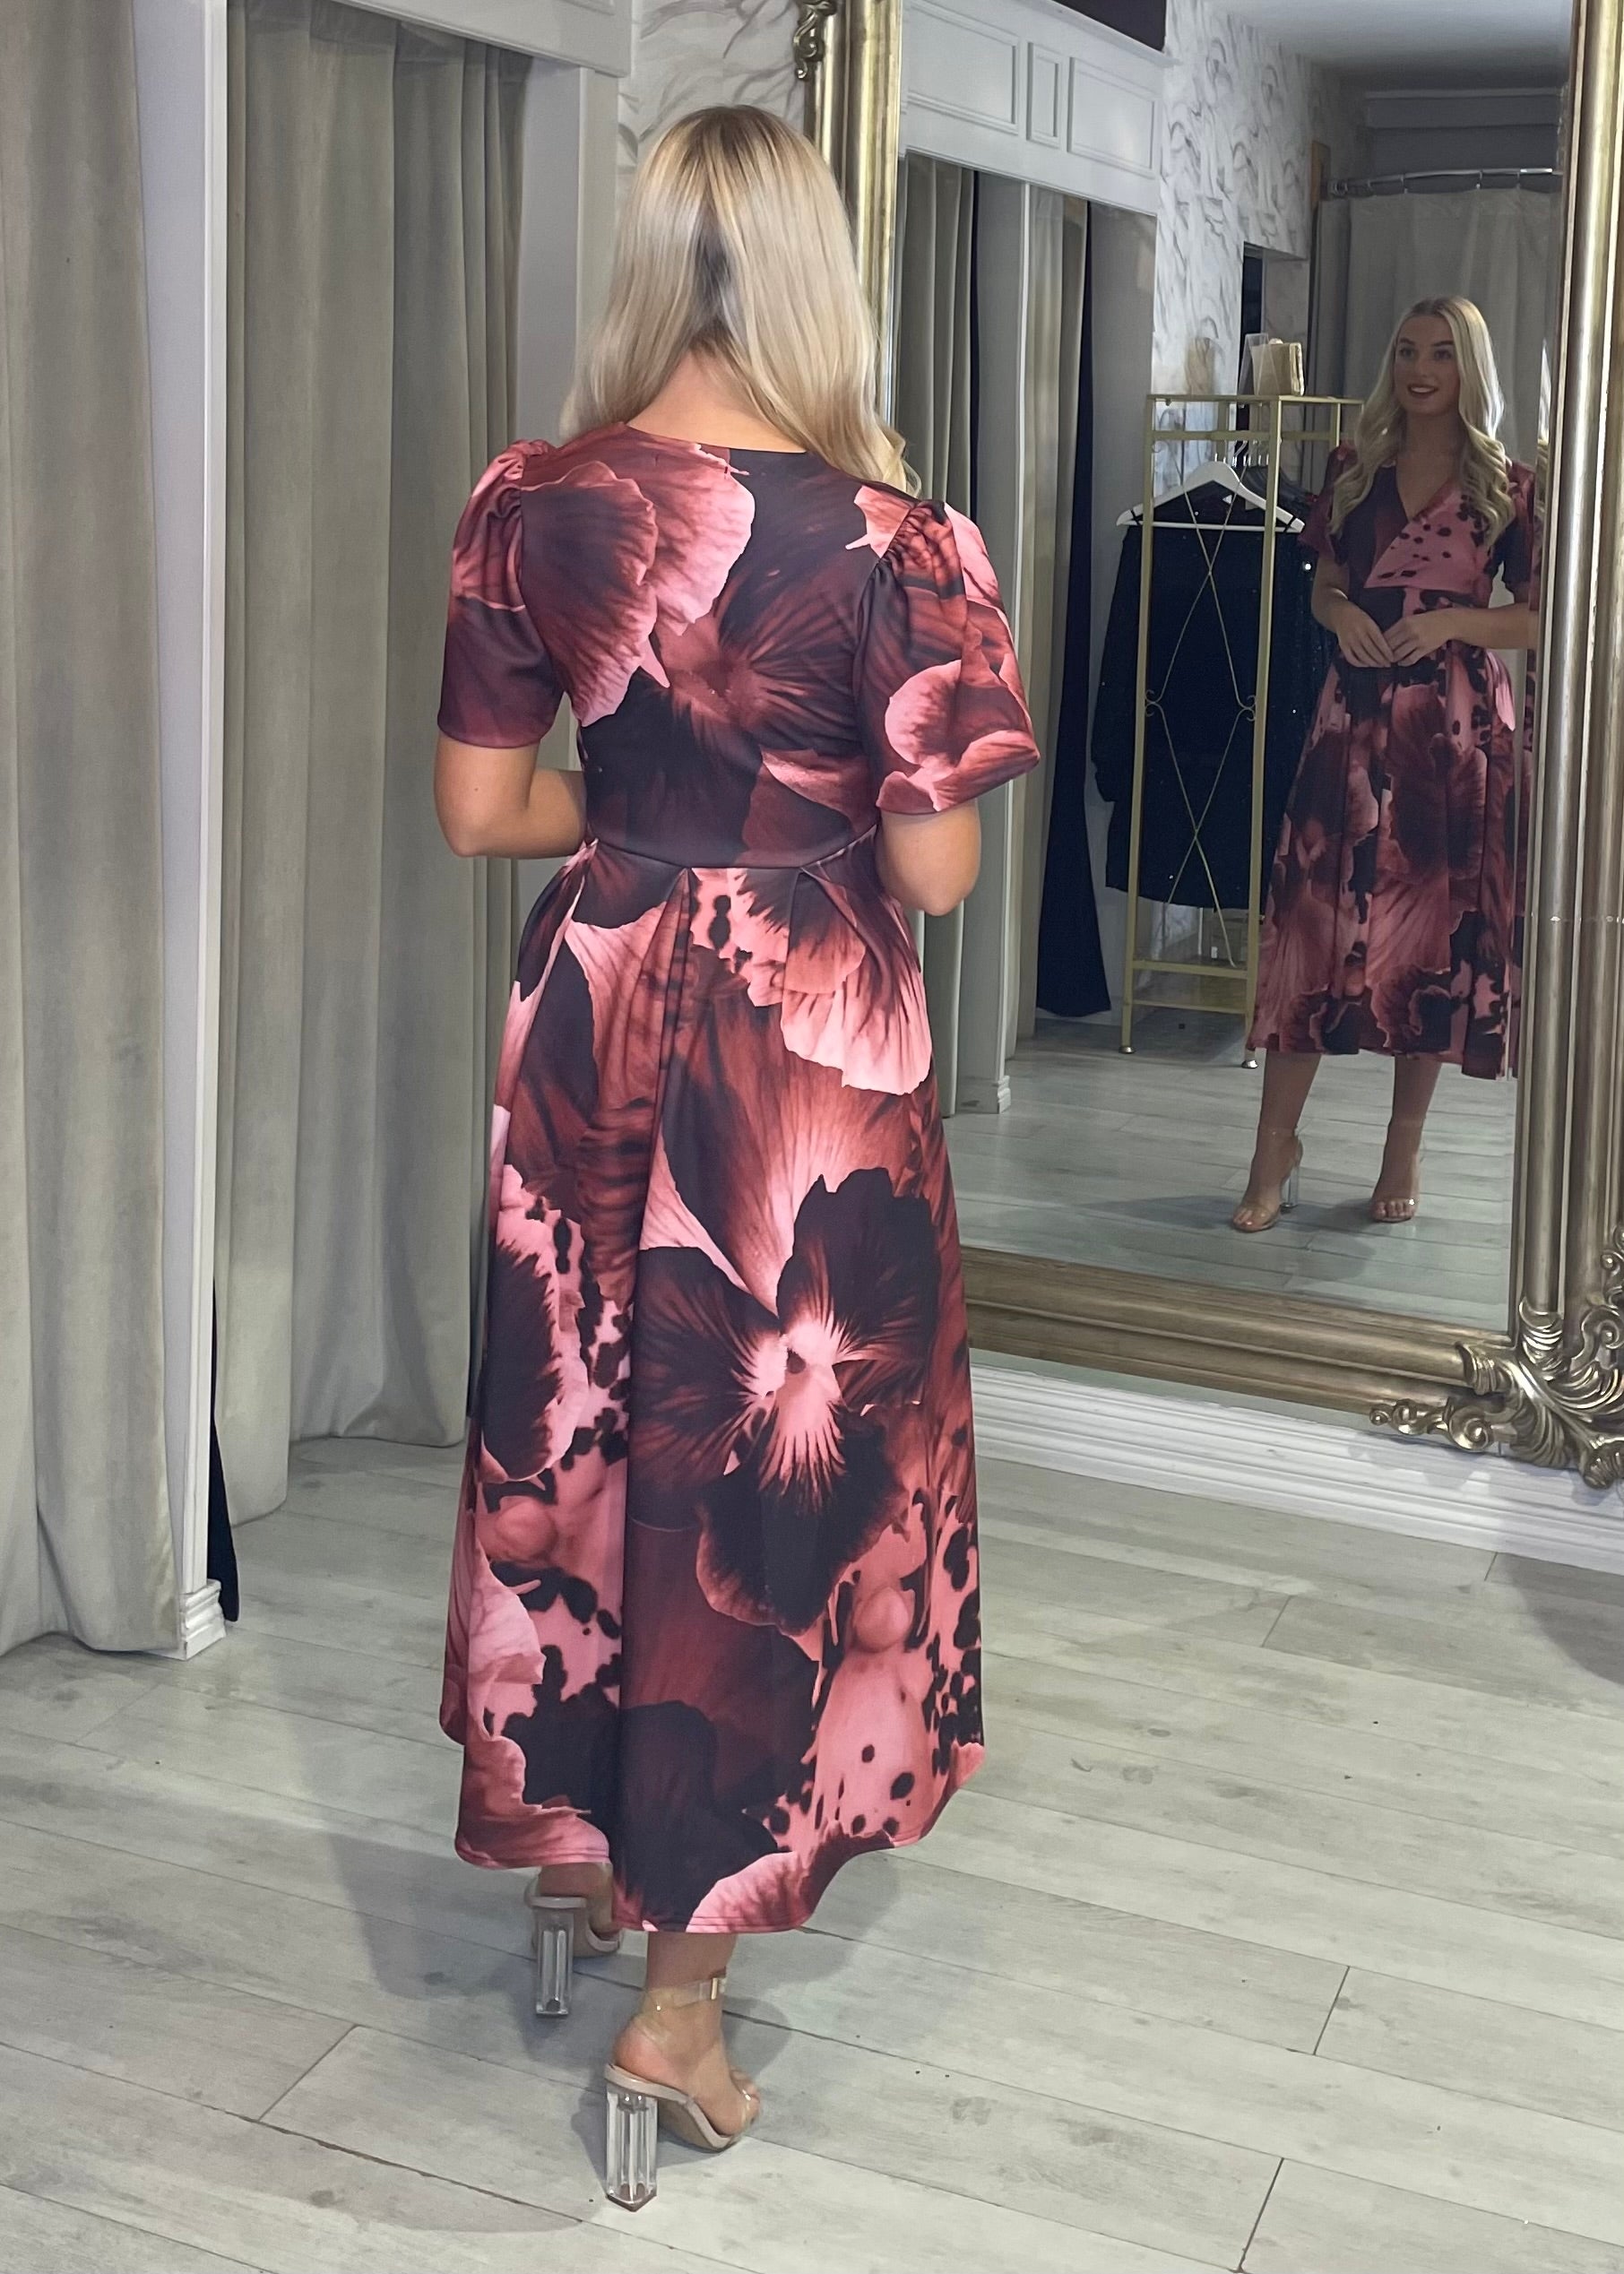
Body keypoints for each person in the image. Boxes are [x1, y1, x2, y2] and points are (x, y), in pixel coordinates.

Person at [431, 105, 1041, 2204]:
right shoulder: (904, 542)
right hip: (804, 1029)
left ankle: (578, 1853)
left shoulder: (532, 503)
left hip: (594, 999)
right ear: (805, 273)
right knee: (759, 1492)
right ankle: (675, 2009)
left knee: (589, 1426)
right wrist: (795, 821)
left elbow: (479, 812)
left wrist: (642, 833)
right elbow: (939, 873)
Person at [1234, 296, 1541, 1233]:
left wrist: (1451, 621)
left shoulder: (1509, 486)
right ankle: (1273, 1146)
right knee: (1313, 925)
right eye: (1407, 351)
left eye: (1441, 354)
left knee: (1429, 940)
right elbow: (1326, 581)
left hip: (1452, 731)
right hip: (1353, 718)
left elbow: (1541, 618)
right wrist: (1338, 614)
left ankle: (1403, 1144)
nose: (1420, 369)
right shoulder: (1354, 467)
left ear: (1470, 370)